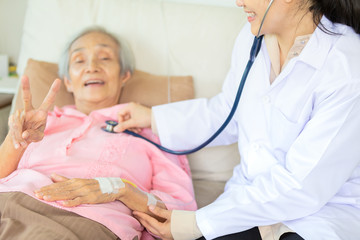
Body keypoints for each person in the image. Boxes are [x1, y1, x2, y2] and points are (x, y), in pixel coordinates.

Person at [113, 0, 360, 239]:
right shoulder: (252, 37)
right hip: (247, 204)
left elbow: (303, 186)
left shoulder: (347, 67)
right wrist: (154, 118)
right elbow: (229, 111)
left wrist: (196, 223)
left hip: (320, 216)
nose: (238, 2)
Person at [0, 27, 196, 240]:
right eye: (79, 60)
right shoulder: (40, 123)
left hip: (80, 222)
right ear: (68, 81)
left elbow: (179, 215)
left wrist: (121, 189)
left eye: (104, 58)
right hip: (7, 202)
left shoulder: (153, 133)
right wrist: (15, 139)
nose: (92, 67)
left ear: (124, 75)